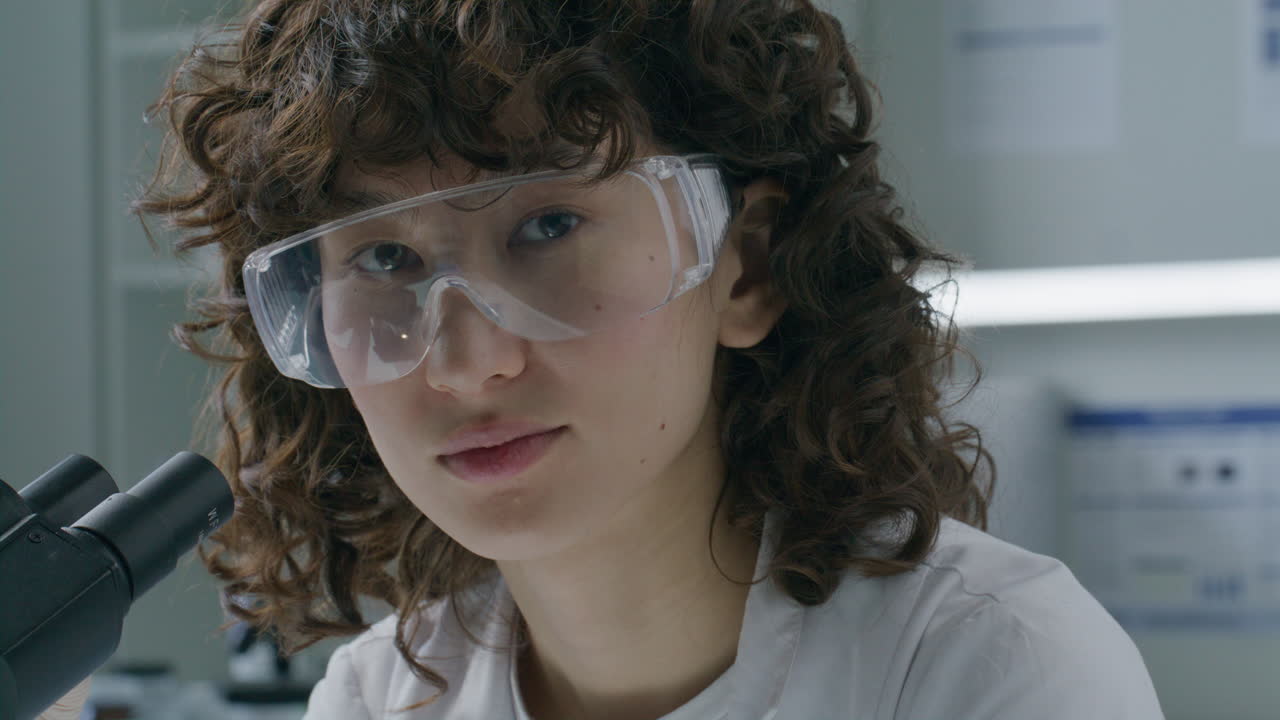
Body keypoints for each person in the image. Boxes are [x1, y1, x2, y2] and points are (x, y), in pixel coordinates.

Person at [93, 0, 1166, 718]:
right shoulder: (381, 701)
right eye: (382, 257)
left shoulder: (987, 668)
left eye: (548, 227)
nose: (467, 364)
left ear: (744, 267)